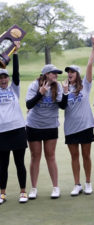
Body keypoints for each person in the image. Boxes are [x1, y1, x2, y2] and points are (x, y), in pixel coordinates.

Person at [26, 64, 68, 199]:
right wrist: (40, 93)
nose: (56, 75)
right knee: (35, 156)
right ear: (45, 74)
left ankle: (55, 187)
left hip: (50, 126)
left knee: (50, 156)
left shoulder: (58, 86)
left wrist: (66, 92)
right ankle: (33, 189)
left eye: (56, 73)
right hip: (34, 126)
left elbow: (62, 106)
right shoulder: (34, 85)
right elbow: (28, 104)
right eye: (53, 73)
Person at [63, 37, 94, 196]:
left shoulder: (85, 86)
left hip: (85, 126)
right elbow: (59, 104)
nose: (69, 74)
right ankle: (77, 184)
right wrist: (64, 92)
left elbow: (90, 65)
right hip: (70, 128)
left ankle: (88, 183)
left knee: (86, 156)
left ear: (77, 74)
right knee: (74, 157)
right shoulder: (63, 88)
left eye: (72, 72)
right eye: (68, 72)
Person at [0, 41, 28, 204]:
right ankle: (2, 193)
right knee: (2, 165)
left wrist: (16, 52)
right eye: (0, 78)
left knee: (19, 163)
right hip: (2, 132)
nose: (3, 80)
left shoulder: (14, 89)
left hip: (17, 130)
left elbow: (16, 74)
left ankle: (23, 192)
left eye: (5, 77)